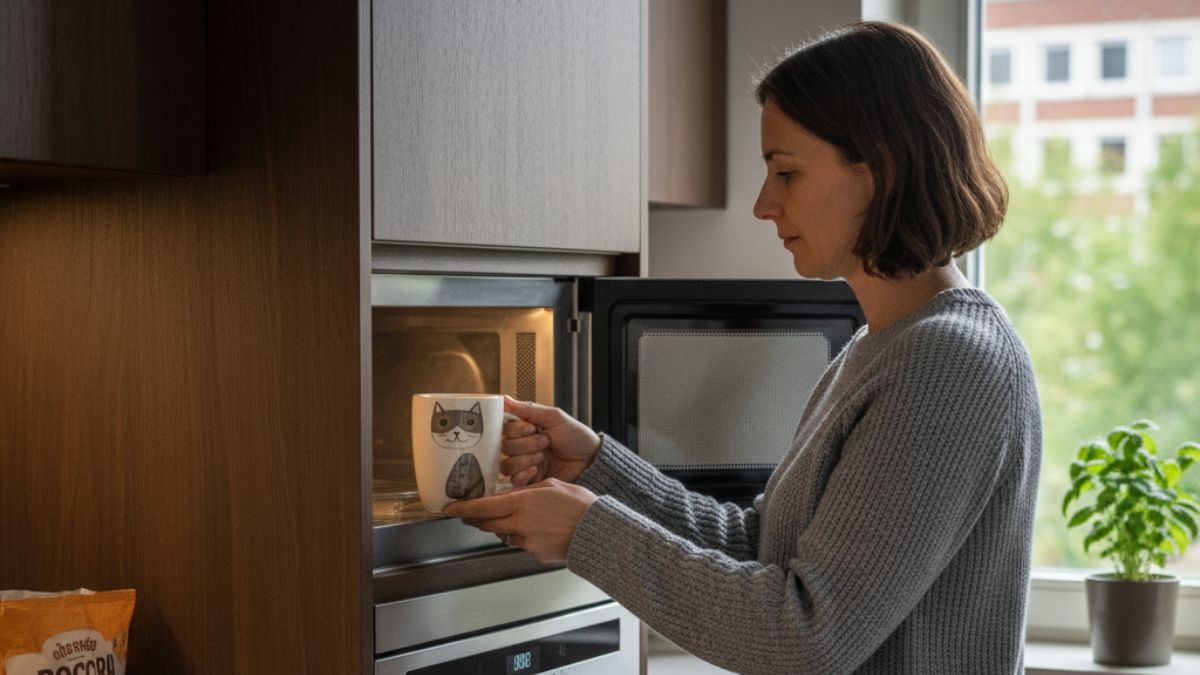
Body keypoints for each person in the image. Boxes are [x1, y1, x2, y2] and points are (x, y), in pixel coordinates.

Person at [444, 21, 1042, 674]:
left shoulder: (948, 365)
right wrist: (594, 465)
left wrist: (589, 531)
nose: (764, 205)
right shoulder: (880, 348)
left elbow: (807, 635)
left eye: (786, 173)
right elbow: (759, 546)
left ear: (881, 169)